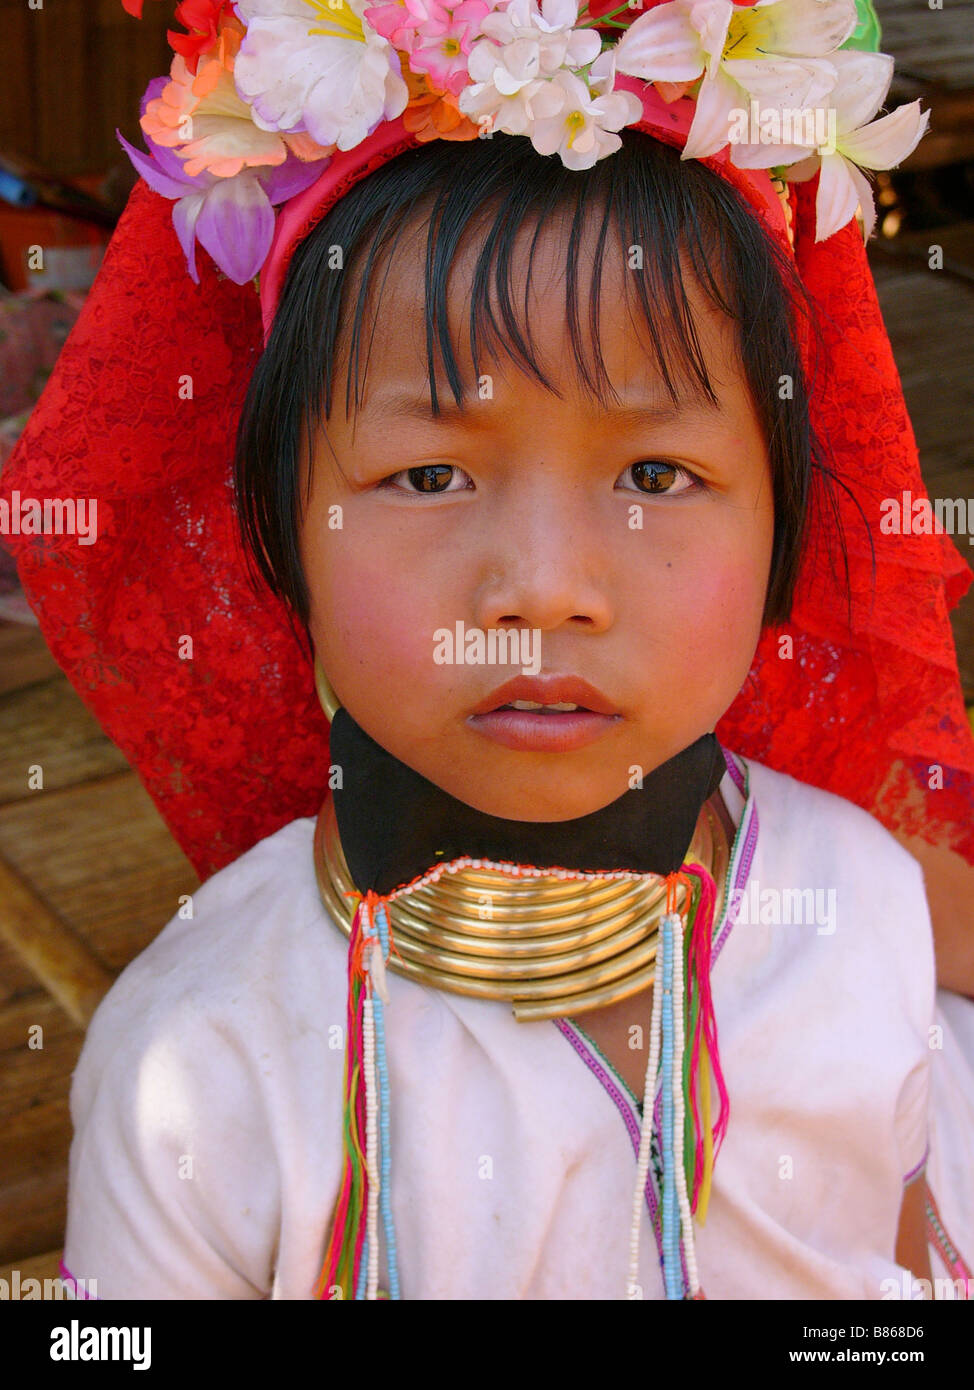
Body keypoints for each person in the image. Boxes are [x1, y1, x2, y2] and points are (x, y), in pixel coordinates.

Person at [2, 0, 973, 1300]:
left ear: (783, 530)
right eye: (424, 475)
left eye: (652, 470)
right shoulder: (206, 1069)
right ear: (280, 536)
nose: (546, 587)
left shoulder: (857, 913)